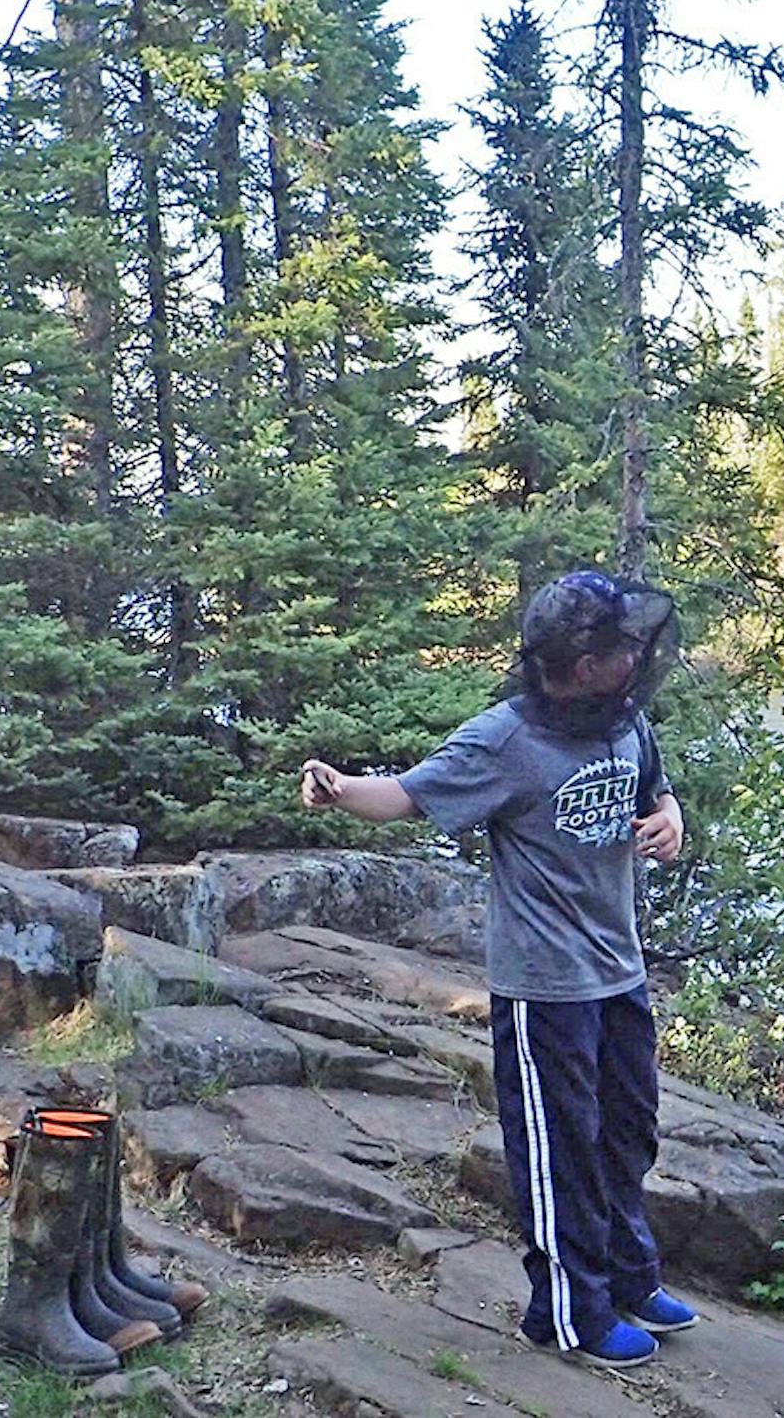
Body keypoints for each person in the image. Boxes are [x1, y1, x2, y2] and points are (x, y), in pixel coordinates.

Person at [298, 570, 695, 1372]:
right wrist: (339, 790)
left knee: (630, 1127)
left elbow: (659, 792)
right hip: (544, 986)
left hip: (618, 968)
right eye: (617, 646)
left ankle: (628, 1275)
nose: (633, 656)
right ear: (580, 662)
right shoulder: (506, 739)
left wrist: (670, 820)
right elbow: (408, 795)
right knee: (561, 1146)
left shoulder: (625, 719)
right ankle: (567, 1309)